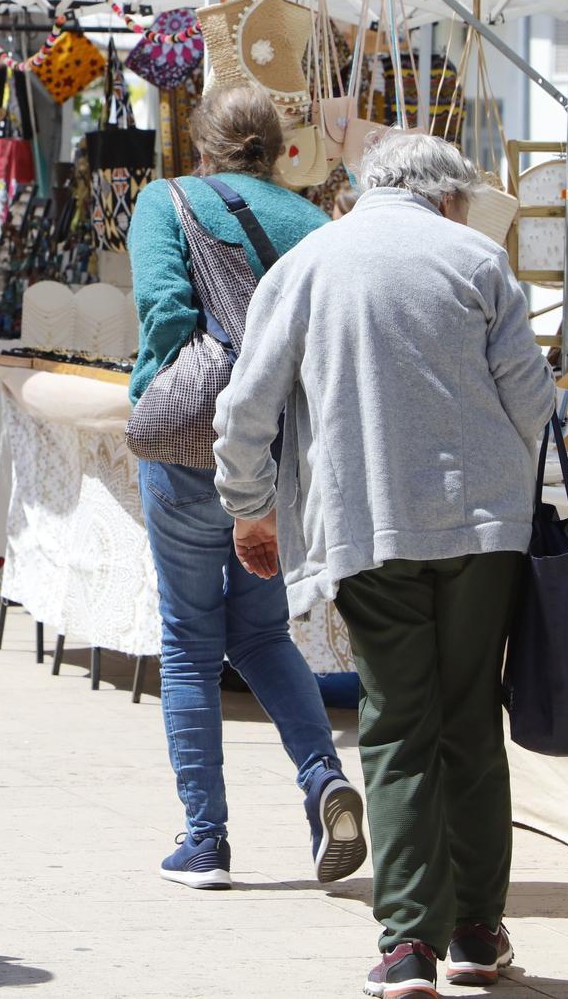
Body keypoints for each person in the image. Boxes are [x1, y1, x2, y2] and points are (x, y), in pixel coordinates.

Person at [212, 131, 556, 999]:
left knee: (397, 722)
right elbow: (531, 400)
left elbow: (246, 403)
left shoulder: (310, 263)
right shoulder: (477, 259)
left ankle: (408, 944)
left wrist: (249, 503)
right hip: (482, 528)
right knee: (469, 716)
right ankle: (477, 929)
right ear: (448, 195)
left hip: (369, 523)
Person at [127, 84, 365, 891]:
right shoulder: (314, 222)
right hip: (278, 457)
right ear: (281, 148)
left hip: (193, 445)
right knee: (262, 634)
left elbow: (164, 313)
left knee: (189, 639)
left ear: (202, 144)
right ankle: (323, 778)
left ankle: (206, 840)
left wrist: (155, 397)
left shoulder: (168, 200)